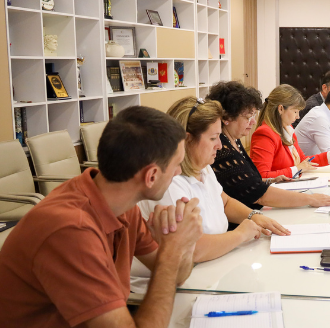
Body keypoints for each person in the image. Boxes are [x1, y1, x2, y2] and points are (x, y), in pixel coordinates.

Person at [0, 106, 203, 327]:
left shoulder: (124, 206)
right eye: (176, 165)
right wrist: (171, 251)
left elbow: (177, 276)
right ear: (151, 176)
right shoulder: (70, 229)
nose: (178, 172)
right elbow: (169, 269)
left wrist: (185, 239)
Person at [140, 97, 291, 264]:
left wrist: (253, 215)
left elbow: (224, 202)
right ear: (187, 140)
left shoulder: (203, 167)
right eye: (213, 138)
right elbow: (192, 249)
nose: (219, 145)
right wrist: (240, 234)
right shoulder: (169, 184)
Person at [206, 81, 330, 210]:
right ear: (227, 118)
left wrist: (270, 180)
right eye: (248, 117)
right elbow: (258, 192)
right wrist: (310, 199)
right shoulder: (225, 148)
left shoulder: (235, 141)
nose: (253, 122)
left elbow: (252, 180)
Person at [251, 84, 330, 178]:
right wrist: (297, 169)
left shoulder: (288, 129)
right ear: (281, 109)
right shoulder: (264, 134)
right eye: (295, 111)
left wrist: (328, 156)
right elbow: (262, 176)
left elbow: (303, 161)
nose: (298, 117)